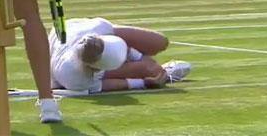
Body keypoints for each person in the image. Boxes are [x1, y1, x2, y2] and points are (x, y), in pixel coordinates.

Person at [50, 17, 191, 93]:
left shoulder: (99, 28)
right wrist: (143, 83)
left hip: (75, 28)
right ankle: (166, 73)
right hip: (68, 63)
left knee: (160, 42)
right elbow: (106, 85)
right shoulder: (75, 79)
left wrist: (143, 58)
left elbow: (126, 48)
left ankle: (157, 71)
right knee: (149, 70)